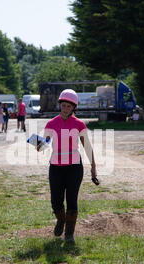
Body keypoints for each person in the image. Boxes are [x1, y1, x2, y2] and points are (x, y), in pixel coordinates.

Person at [37, 89, 98, 244]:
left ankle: (69, 234)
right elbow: (43, 145)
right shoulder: (51, 123)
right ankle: (61, 220)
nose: (65, 109)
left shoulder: (79, 124)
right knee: (55, 201)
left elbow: (87, 147)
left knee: (72, 201)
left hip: (74, 168)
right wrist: (38, 145)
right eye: (63, 106)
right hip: (56, 167)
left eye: (68, 107)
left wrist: (93, 168)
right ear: (60, 105)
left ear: (73, 108)